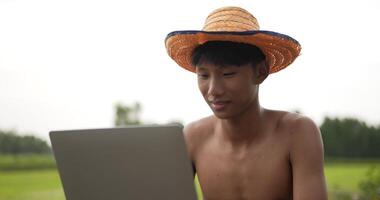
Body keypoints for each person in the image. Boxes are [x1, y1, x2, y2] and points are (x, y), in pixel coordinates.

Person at [165, 6, 327, 200]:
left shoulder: (297, 133)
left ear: (260, 72)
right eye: (204, 75)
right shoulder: (192, 137)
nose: (213, 90)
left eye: (228, 74)